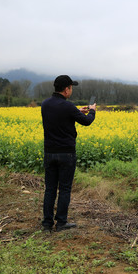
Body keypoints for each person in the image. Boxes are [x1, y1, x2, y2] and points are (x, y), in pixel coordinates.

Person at [41, 75, 96, 232]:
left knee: (50, 189)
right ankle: (61, 223)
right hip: (66, 154)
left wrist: (76, 111)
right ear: (66, 90)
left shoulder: (45, 104)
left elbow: (59, 115)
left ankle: (46, 224)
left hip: (49, 153)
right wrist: (92, 111)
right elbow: (86, 121)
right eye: (71, 88)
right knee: (64, 189)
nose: (71, 90)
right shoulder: (67, 107)